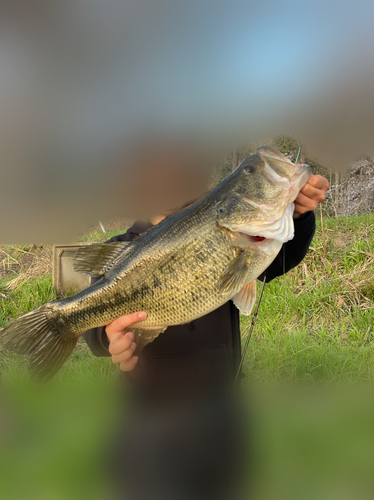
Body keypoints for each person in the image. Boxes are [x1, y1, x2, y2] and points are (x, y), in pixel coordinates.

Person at [83, 173, 329, 500]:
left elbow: (280, 255)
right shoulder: (116, 249)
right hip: (152, 421)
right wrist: (106, 339)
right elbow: (93, 325)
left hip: (221, 411)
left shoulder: (227, 229)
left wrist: (299, 214)